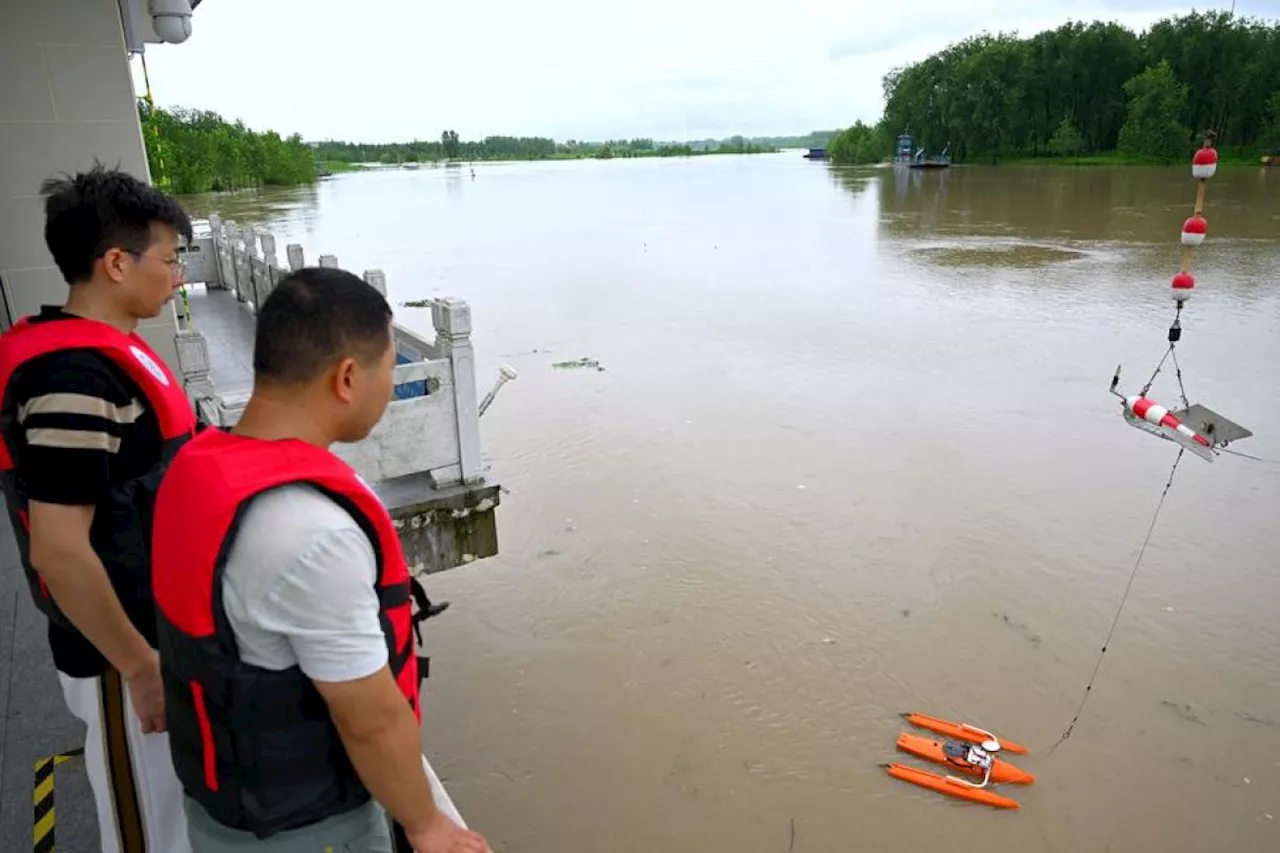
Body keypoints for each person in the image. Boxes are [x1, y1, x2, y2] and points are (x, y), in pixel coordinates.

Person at [150, 267, 490, 853]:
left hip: (222, 811)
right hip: (308, 830)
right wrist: (427, 824)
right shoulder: (312, 534)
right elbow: (370, 719)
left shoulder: (196, 469)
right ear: (349, 378)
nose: (390, 385)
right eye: (390, 369)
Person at [0, 165, 197, 853]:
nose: (177, 276)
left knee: (174, 807)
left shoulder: (106, 359)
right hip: (118, 651)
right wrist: (139, 665)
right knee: (146, 823)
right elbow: (58, 548)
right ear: (117, 262)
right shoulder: (71, 381)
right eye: (170, 259)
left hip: (150, 631)